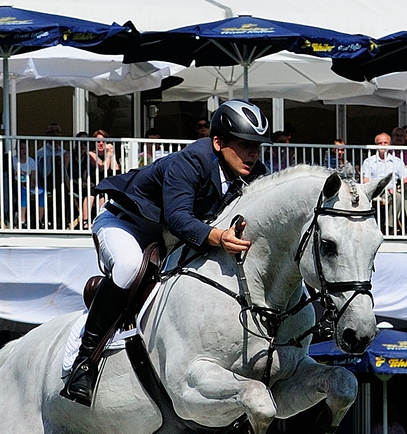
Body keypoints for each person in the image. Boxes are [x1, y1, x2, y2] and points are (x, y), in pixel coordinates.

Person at [65, 100, 269, 405]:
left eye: (256, 146)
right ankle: (83, 362)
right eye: (244, 145)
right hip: (126, 224)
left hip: (169, 235)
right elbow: (178, 217)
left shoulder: (255, 172)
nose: (252, 154)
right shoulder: (190, 163)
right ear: (218, 142)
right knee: (130, 267)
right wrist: (218, 236)